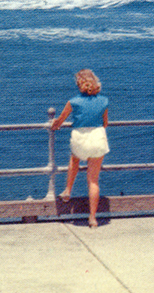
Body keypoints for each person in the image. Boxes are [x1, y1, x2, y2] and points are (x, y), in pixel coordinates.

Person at [50, 68, 109, 228]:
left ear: (79, 84)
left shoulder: (73, 101)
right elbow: (105, 123)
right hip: (98, 137)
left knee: (74, 160)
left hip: (80, 138)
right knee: (93, 181)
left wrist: (54, 123)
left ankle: (68, 190)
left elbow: (59, 121)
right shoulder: (104, 101)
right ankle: (92, 218)